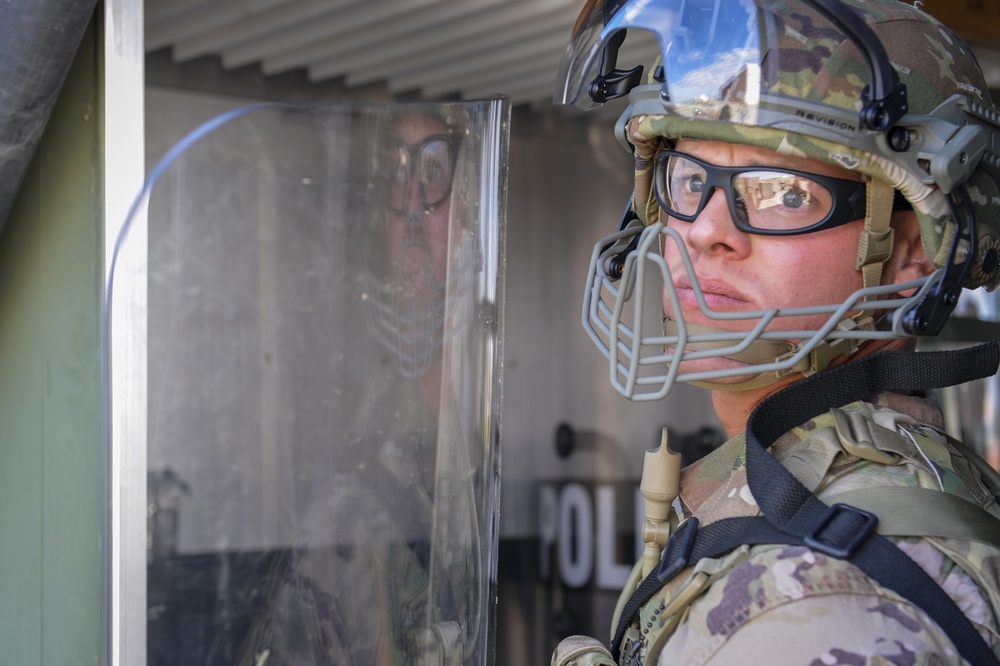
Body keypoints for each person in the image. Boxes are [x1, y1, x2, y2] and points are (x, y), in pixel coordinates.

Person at [551, 0, 1000, 664]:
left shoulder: (817, 606)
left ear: (914, 254)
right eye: (691, 179)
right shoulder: (822, 488)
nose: (706, 229)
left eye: (786, 193)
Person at [240, 106, 486, 666]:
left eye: (435, 173)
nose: (415, 211)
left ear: (472, 208)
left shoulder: (487, 435)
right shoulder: (350, 481)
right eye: (397, 177)